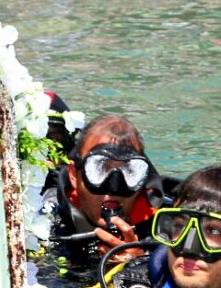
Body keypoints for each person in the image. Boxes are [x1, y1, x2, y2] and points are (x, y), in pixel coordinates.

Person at [44, 114, 168, 267]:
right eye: (99, 168)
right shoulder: (45, 223)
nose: (114, 188)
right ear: (73, 175)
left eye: (129, 171)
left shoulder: (164, 229)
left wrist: (138, 266)